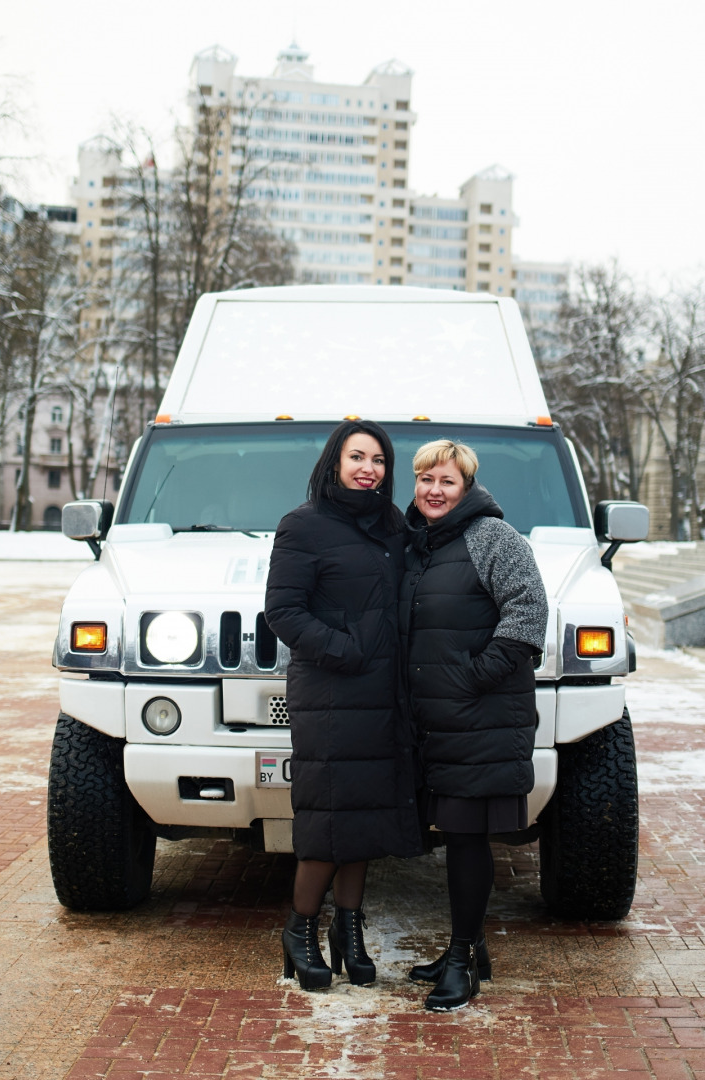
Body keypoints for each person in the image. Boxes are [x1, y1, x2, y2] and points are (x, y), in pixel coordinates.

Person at [264, 419, 421, 992]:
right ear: (335, 462)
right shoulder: (303, 526)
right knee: (329, 819)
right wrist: (345, 650)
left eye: (378, 460)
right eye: (357, 457)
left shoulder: (393, 525)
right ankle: (300, 929)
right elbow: (282, 610)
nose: (368, 469)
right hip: (331, 692)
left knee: (366, 817)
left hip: (384, 696)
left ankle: (349, 931)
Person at [399, 439, 548, 1011]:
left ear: (467, 488)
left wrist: (472, 676)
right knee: (452, 833)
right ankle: (470, 945)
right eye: (425, 479)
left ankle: (461, 962)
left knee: (466, 838)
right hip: (437, 722)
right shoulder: (418, 545)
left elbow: (529, 611)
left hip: (482, 717)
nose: (433, 491)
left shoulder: (493, 538)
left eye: (447, 482)